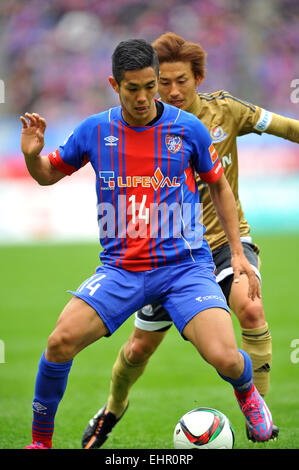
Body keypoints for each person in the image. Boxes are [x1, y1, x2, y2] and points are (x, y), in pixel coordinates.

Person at [21, 38, 272, 450]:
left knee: (227, 358)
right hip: (120, 270)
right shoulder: (94, 130)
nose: (143, 98)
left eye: (150, 87)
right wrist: (33, 156)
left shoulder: (187, 128)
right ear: (113, 84)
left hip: (184, 268)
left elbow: (220, 188)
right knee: (59, 342)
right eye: (132, 88)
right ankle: (40, 443)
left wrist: (239, 253)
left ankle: (247, 393)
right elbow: (47, 175)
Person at [81, 32, 299, 450]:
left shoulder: (227, 111)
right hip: (168, 253)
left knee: (250, 307)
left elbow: (285, 126)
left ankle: (260, 414)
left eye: (182, 80)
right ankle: (113, 407)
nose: (173, 90)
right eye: (163, 82)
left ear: (199, 78)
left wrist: (238, 254)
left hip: (223, 242)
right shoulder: (148, 127)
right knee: (137, 350)